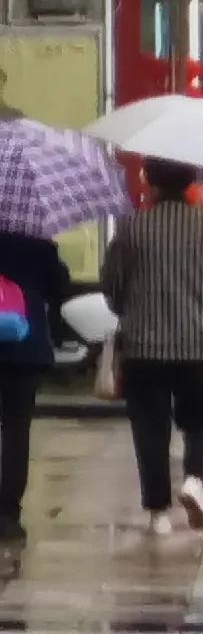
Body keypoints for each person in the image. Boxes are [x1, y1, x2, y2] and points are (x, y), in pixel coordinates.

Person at [105, 157, 203, 534]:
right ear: (189, 183)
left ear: (152, 185)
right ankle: (194, 478)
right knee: (198, 423)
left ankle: (158, 512)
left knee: (150, 429)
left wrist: (131, 304)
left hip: (144, 346)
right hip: (198, 345)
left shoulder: (130, 228)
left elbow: (112, 288)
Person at [0, 230, 70, 542]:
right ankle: (7, 514)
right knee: (16, 430)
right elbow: (59, 289)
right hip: (24, 345)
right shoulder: (37, 242)